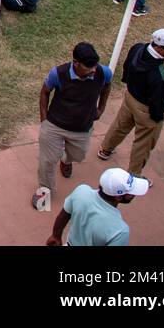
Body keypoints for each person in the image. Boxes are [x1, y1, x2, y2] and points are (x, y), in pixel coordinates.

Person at [98, 28, 164, 175]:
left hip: (130, 97)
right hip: (146, 110)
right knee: (144, 143)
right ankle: (134, 176)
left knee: (120, 125)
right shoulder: (158, 75)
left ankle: (105, 149)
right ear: (159, 48)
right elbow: (157, 101)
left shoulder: (137, 48)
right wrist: (157, 118)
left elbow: (126, 67)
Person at [35, 42, 112, 210]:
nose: (93, 69)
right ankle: (44, 191)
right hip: (55, 124)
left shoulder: (103, 72)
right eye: (88, 66)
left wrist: (101, 108)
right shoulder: (58, 73)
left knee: (79, 155)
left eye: (95, 65)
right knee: (47, 161)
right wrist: (44, 120)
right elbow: (45, 92)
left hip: (82, 127)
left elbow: (107, 85)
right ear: (75, 63)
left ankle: (66, 160)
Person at [46, 168, 149, 246]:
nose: (134, 194)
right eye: (131, 193)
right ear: (118, 197)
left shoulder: (81, 192)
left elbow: (63, 215)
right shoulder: (120, 230)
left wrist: (55, 236)